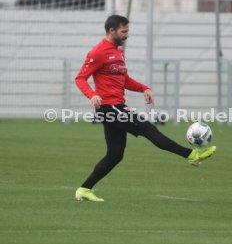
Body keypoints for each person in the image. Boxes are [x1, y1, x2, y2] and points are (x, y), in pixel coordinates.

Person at [74, 15, 216, 202]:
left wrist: (144, 88)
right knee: (148, 129)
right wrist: (92, 94)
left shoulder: (118, 52)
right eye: (124, 31)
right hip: (110, 108)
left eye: (128, 31)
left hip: (117, 107)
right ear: (112, 31)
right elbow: (80, 78)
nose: (127, 34)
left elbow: (124, 80)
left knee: (115, 155)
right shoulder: (98, 52)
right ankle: (191, 155)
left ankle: (84, 189)